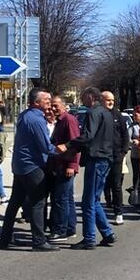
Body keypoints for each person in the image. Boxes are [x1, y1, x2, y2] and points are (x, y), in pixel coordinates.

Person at [68, 87, 129, 249]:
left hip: (96, 158)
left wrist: (68, 145)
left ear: (90, 96)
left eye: (83, 97)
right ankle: (107, 233)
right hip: (106, 158)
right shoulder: (107, 114)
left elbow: (88, 136)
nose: (82, 100)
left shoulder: (94, 113)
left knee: (88, 201)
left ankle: (89, 238)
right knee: (94, 199)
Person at [0, 89, 60, 251]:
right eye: (46, 99)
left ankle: (5, 238)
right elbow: (46, 147)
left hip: (20, 165)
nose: (49, 102)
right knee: (38, 202)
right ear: (36, 102)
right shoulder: (36, 120)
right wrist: (64, 149)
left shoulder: (25, 115)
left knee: (15, 202)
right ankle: (39, 241)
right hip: (32, 166)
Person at [48, 95, 80, 239]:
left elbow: (75, 144)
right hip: (60, 164)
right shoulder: (60, 121)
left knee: (60, 198)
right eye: (52, 106)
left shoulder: (68, 120)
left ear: (63, 105)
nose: (53, 108)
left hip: (66, 165)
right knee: (67, 198)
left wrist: (72, 165)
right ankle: (70, 228)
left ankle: (60, 230)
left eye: (56, 105)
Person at [101, 91, 129, 224]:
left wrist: (123, 151)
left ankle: (119, 213)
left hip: (116, 155)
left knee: (117, 185)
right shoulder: (98, 114)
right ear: (101, 100)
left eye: (112, 100)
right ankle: (106, 203)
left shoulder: (118, 115)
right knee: (103, 183)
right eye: (108, 100)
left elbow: (125, 134)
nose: (111, 102)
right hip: (102, 155)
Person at [128, 105, 140, 210]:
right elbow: (127, 139)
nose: (134, 117)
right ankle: (137, 198)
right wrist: (133, 141)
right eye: (133, 115)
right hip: (135, 154)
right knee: (137, 176)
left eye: (136, 115)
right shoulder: (132, 126)